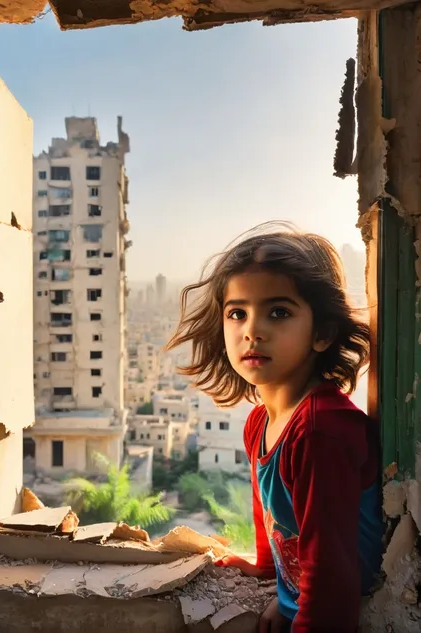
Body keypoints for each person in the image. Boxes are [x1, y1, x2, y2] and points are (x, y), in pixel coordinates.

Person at [166, 223, 383, 633]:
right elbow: (270, 513)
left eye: (278, 312)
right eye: (237, 313)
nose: (252, 329)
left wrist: (298, 611)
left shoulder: (321, 431)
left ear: (321, 333)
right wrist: (270, 575)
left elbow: (332, 570)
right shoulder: (260, 422)